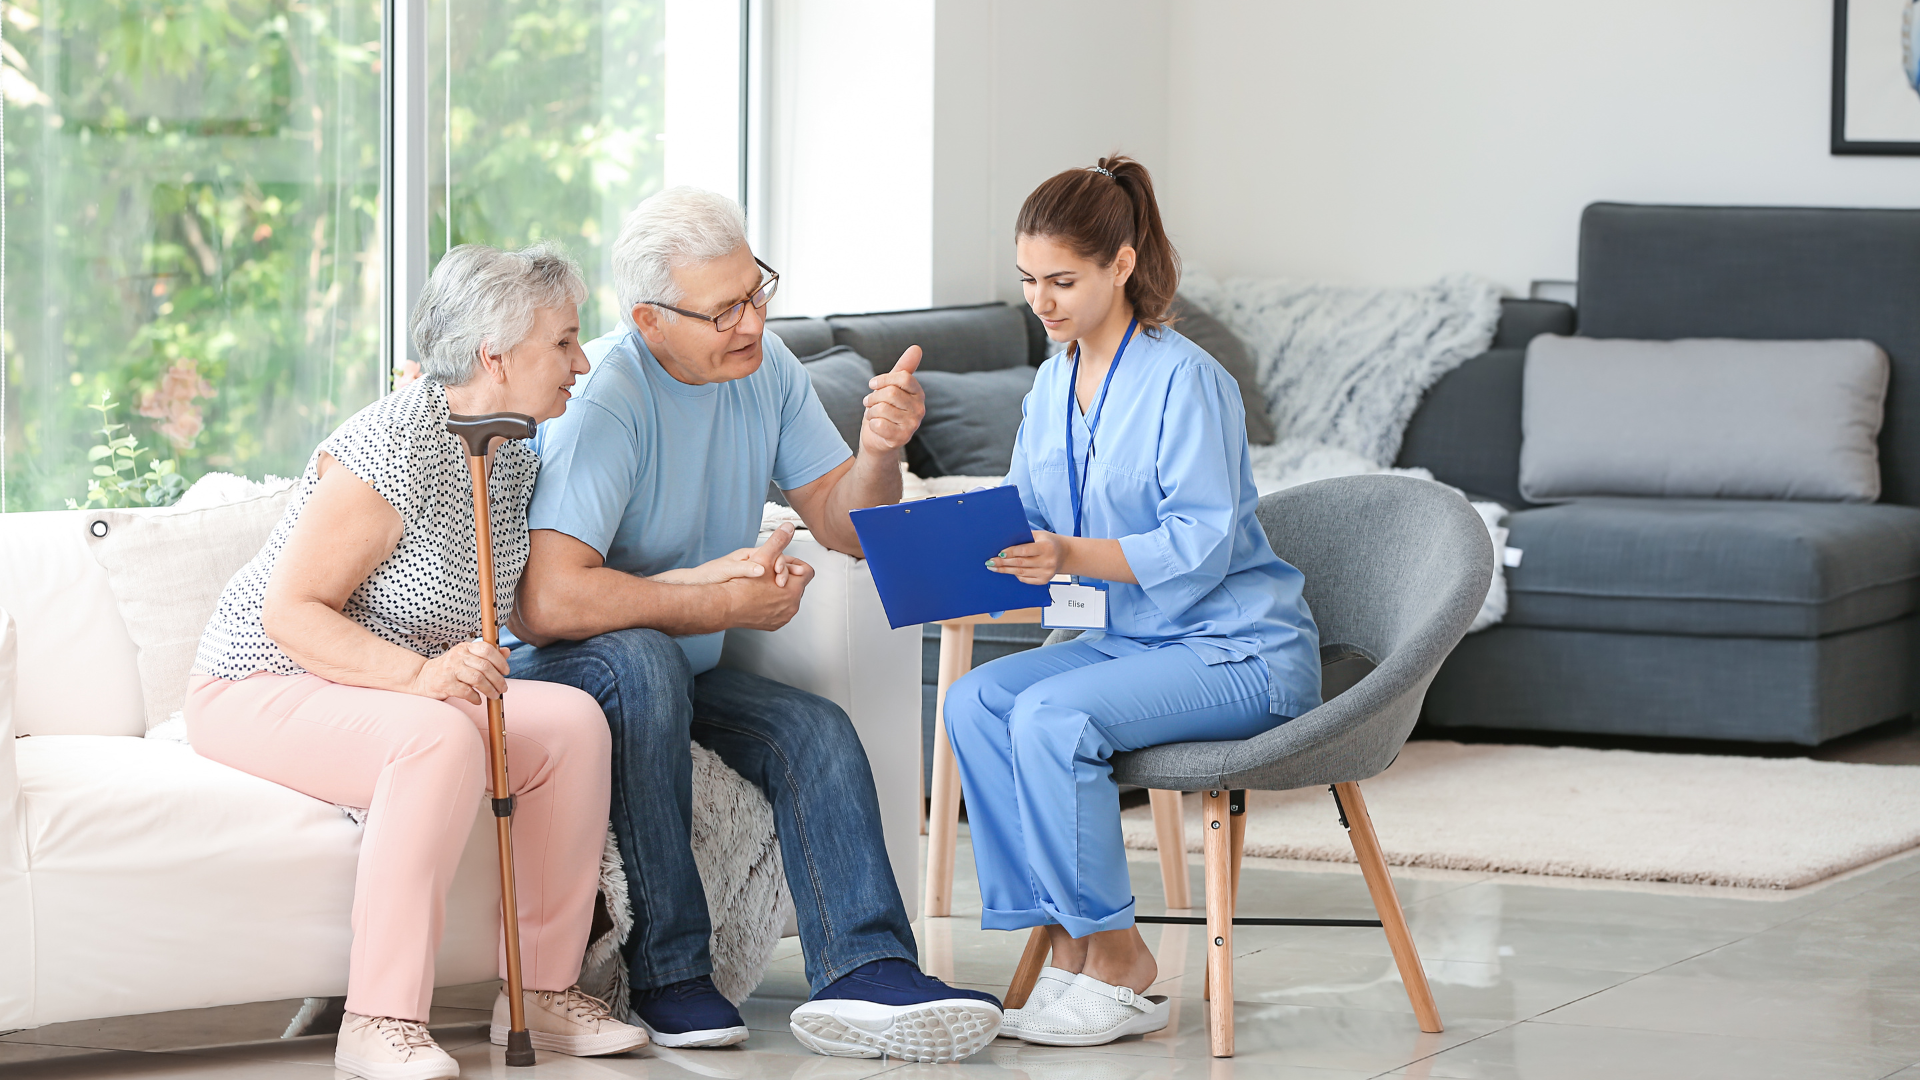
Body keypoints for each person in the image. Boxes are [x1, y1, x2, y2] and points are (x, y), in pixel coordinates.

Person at [507, 187, 1003, 1063]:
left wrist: (881, 452)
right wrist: (713, 603)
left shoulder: (765, 368)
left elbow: (849, 525)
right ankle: (667, 974)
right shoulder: (607, 403)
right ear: (650, 320)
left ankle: (868, 971)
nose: (751, 320)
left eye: (757, 291)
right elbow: (547, 603)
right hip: (565, 673)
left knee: (813, 730)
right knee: (649, 662)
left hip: (679, 669)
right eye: (725, 307)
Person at [186, 244, 649, 1080]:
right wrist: (421, 679)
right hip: (263, 681)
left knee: (573, 724)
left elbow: (515, 604)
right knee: (436, 740)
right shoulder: (393, 444)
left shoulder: (514, 448)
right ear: (495, 356)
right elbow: (289, 613)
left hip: (389, 688)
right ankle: (380, 1020)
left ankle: (542, 992)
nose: (583, 363)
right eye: (566, 342)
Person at [943, 156, 1323, 1047]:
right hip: (1128, 641)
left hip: (1234, 652)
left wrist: (1069, 553)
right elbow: (1030, 511)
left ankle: (1121, 960)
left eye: (1062, 280)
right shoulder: (1051, 383)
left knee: (1048, 717)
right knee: (973, 702)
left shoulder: (1187, 379)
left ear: (1121, 264)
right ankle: (1072, 943)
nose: (1042, 301)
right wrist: (965, 548)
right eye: (1029, 280)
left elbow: (1201, 545)